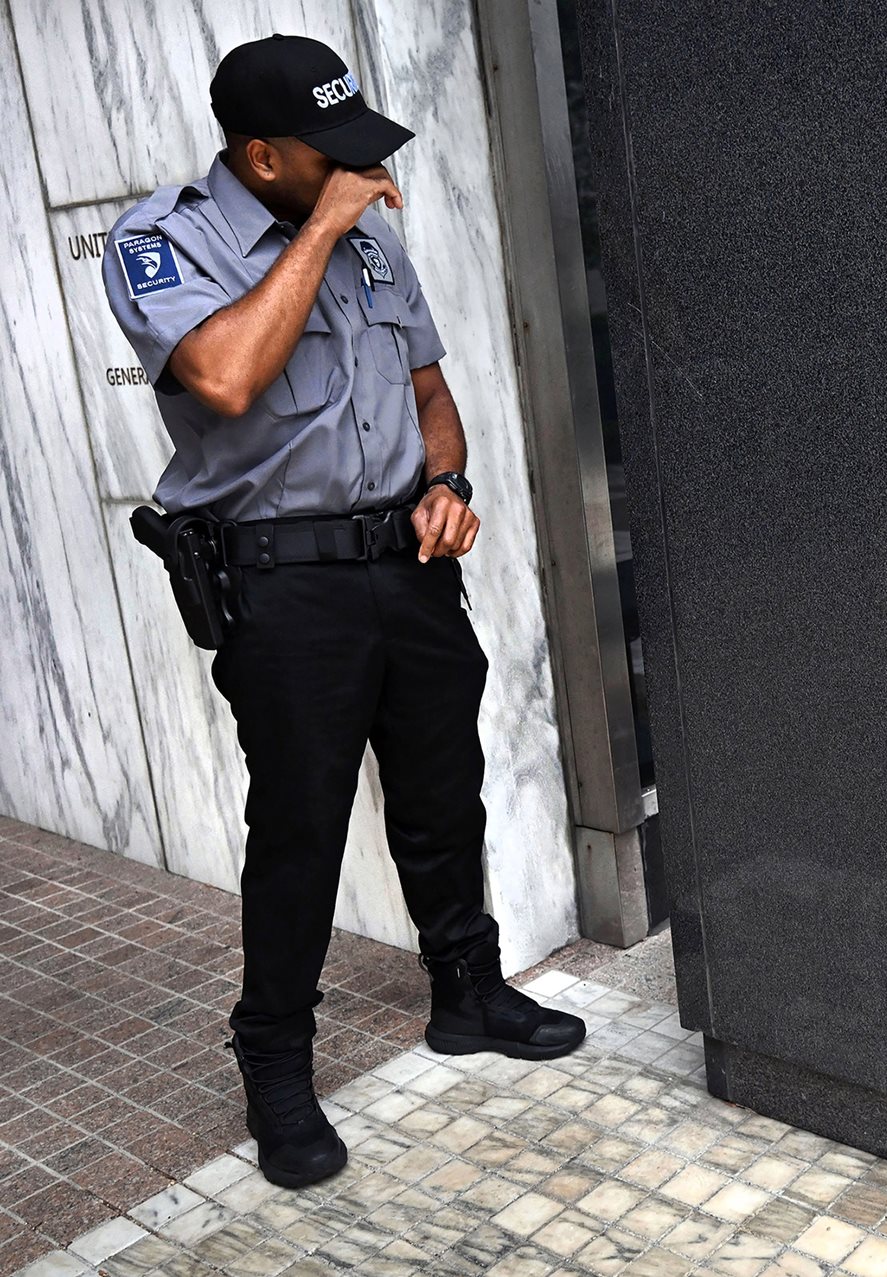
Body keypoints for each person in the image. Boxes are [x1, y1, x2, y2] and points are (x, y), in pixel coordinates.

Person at [101, 34, 585, 1189]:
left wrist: (447, 486)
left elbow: (428, 390)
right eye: (332, 159)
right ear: (261, 156)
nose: (362, 176)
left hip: (402, 567)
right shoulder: (165, 241)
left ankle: (466, 988)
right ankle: (274, 1060)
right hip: (282, 584)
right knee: (302, 827)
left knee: (440, 789)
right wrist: (318, 232)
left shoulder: (371, 238)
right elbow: (220, 375)